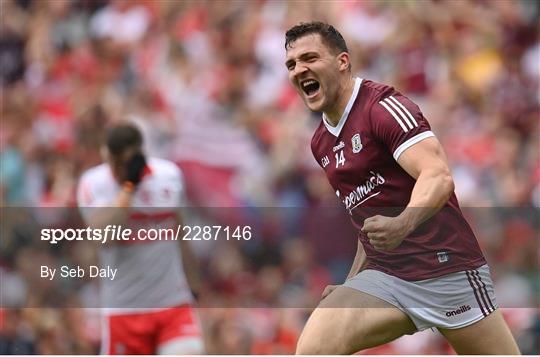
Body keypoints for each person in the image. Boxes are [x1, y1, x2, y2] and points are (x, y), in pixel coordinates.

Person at [284, 21, 520, 355]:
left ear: (342, 61)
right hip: (389, 277)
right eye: (292, 64)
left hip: (447, 270)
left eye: (310, 58)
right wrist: (353, 283)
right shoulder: (320, 143)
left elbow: (437, 177)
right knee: (314, 344)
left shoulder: (382, 108)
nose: (299, 69)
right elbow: (368, 222)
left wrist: (402, 224)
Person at [77, 123, 205, 354]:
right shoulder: (93, 183)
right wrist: (128, 189)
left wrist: (194, 285)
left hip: (173, 304)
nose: (115, 169)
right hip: (125, 310)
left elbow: (180, 233)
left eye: (123, 163)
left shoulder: (169, 176)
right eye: (113, 162)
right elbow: (102, 236)